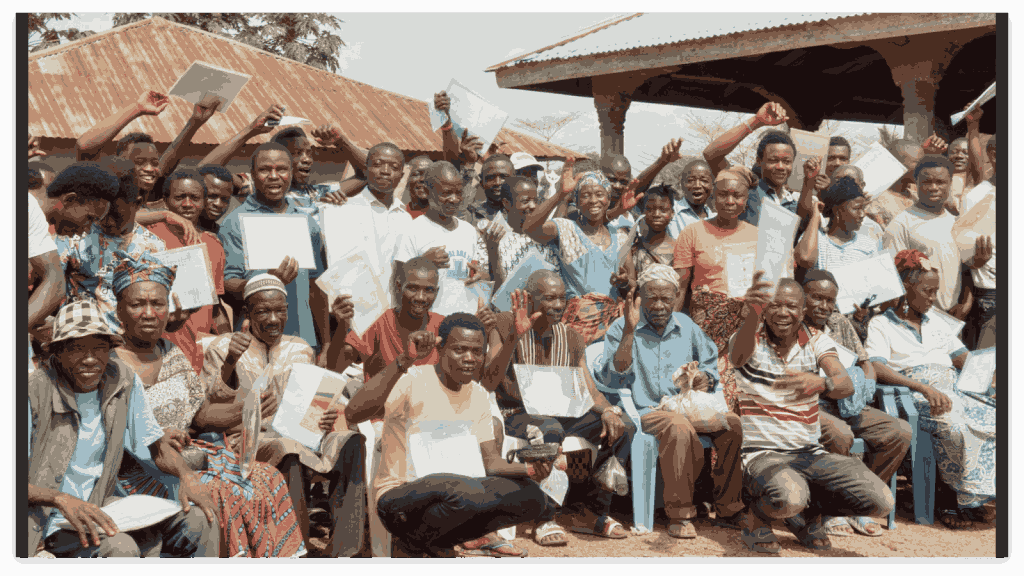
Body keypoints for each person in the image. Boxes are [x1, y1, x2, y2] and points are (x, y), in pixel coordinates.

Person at [107, 250, 308, 557]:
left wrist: (247, 409)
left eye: (158, 304)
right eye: (137, 304)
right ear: (119, 310)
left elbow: (200, 415)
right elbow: (107, 433)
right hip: (141, 470)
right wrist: (156, 437)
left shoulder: (171, 352)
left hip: (194, 456)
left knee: (267, 477)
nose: (149, 313)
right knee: (222, 492)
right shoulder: (110, 364)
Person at [346, 313, 557, 558]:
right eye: (459, 350)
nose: (469, 358)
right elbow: (353, 413)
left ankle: (443, 543)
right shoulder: (411, 379)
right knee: (462, 490)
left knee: (533, 497)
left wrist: (532, 470)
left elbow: (492, 463)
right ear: (440, 349)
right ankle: (412, 545)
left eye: (477, 352)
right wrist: (405, 359)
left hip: (459, 497)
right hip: (402, 498)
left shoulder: (478, 395)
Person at [28, 299, 219, 558]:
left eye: (99, 348)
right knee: (121, 548)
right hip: (49, 520)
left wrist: (187, 476)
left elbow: (155, 444)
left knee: (201, 519)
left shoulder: (121, 380)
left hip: (102, 506)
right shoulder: (35, 392)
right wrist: (59, 499)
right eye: (76, 349)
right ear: (57, 353)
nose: (90, 359)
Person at [201, 274, 366, 557]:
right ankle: (296, 550)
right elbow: (209, 406)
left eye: (280, 310)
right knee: (288, 449)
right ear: (247, 312)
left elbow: (319, 392)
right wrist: (231, 361)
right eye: (264, 311)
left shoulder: (300, 348)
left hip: (302, 435)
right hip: (248, 441)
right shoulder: (223, 346)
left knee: (351, 441)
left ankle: (344, 551)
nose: (274, 319)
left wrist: (323, 416)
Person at [728, 275, 894, 554]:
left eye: (791, 306)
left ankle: (807, 516)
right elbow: (736, 357)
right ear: (765, 309)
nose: (783, 312)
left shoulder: (817, 339)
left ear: (803, 310)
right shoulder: (748, 338)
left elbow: (845, 383)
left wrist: (822, 383)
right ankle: (757, 517)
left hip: (810, 453)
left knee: (881, 501)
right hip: (762, 455)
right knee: (790, 496)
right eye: (775, 305)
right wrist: (752, 314)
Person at [603, 264, 744, 538]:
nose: (659, 306)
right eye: (651, 298)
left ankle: (729, 508)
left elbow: (710, 365)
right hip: (645, 410)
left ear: (677, 297)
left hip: (685, 406)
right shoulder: (623, 326)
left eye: (666, 299)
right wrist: (630, 332)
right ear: (639, 296)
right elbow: (613, 377)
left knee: (732, 425)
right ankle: (680, 514)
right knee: (678, 426)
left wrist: (704, 378)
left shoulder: (686, 326)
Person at [493, 272, 635, 544]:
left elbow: (589, 390)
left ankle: (592, 512)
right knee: (549, 429)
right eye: (549, 298)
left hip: (561, 412)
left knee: (623, 426)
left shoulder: (571, 338)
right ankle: (544, 517)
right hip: (517, 414)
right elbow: (489, 378)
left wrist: (608, 411)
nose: (558, 305)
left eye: (562, 298)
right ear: (529, 299)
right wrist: (513, 337)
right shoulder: (503, 324)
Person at [865, 249, 996, 530]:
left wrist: (989, 379)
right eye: (928, 291)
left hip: (953, 388)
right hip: (913, 394)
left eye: (936, 291)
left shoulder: (936, 321)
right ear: (906, 288)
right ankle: (949, 498)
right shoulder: (881, 324)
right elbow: (877, 367)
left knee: (994, 418)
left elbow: (962, 358)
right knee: (955, 426)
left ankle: (972, 495)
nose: (933, 298)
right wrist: (922, 387)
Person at [56, 157, 202, 372]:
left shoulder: (153, 248)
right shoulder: (76, 236)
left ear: (138, 203)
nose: (106, 220)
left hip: (128, 357)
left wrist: (174, 321)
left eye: (115, 214)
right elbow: (50, 287)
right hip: (80, 351)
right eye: (102, 213)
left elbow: (160, 315)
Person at [800, 270, 912, 538]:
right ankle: (829, 510)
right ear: (803, 297)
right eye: (817, 298)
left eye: (830, 300)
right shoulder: (792, 326)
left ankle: (857, 502)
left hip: (848, 400)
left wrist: (866, 386)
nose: (824, 306)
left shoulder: (839, 322)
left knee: (898, 432)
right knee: (840, 434)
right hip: (812, 403)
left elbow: (865, 362)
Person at [217, 143, 331, 356]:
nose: (273, 176)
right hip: (253, 343)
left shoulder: (306, 224)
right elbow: (227, 285)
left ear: (291, 172)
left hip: (302, 342)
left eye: (281, 169)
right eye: (264, 169)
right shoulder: (234, 222)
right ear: (252, 174)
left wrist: (325, 344)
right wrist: (266, 282)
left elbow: (316, 288)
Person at [672, 165, 760, 412]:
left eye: (737, 196)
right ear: (713, 196)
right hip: (705, 331)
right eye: (723, 195)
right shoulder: (692, 233)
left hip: (745, 329)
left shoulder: (758, 237)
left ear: (746, 199)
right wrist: (672, 331)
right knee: (707, 391)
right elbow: (680, 288)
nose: (730, 201)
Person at [523, 158, 630, 345]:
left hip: (613, 330)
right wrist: (560, 194)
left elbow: (632, 283)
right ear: (577, 201)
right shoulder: (566, 229)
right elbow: (530, 228)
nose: (593, 200)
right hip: (577, 330)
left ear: (608, 199)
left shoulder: (620, 237)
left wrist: (625, 281)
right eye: (586, 195)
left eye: (599, 194)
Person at [882, 155, 992, 319]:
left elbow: (964, 269)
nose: (934, 188)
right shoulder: (900, 225)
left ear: (950, 184)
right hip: (917, 318)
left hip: (954, 317)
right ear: (916, 183)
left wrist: (965, 303)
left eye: (940, 182)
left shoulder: (957, 222)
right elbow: (892, 279)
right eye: (927, 182)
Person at [145, 170, 232, 365]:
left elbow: (214, 307)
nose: (187, 204)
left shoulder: (213, 245)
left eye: (194, 198)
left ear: (203, 201)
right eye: (179, 197)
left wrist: (229, 343)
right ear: (166, 201)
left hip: (198, 356)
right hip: (158, 352)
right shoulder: (147, 237)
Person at [392, 161, 490, 314]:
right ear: (427, 191)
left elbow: (476, 272)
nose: (454, 199)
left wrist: (481, 275)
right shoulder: (412, 230)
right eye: (446, 193)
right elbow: (398, 280)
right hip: (428, 319)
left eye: (458, 193)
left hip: (463, 318)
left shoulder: (468, 230)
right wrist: (424, 262)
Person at [703, 102, 800, 225]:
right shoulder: (746, 191)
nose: (780, 167)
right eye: (773, 160)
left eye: (786, 161)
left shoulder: (794, 203)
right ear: (759, 161)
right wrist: (756, 121)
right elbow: (711, 154)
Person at [483, 176, 562, 296]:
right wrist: (493, 251)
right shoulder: (493, 238)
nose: (533, 206)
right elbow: (494, 290)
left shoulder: (545, 236)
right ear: (506, 203)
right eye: (525, 201)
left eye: (536, 201)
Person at [958, 107, 996, 350]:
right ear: (994, 155)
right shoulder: (976, 197)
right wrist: (975, 261)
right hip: (992, 295)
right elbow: (966, 255)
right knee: (988, 362)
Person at [795, 176, 883, 275]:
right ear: (837, 211)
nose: (862, 214)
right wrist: (815, 216)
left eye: (863, 208)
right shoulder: (816, 238)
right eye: (856, 208)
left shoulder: (868, 245)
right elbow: (805, 258)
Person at [611, 186, 680, 302]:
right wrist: (625, 282)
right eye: (650, 209)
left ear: (672, 213)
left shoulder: (679, 249)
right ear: (643, 212)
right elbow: (631, 285)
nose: (656, 214)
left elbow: (681, 289)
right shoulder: (633, 249)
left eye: (663, 210)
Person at [666, 159, 717, 238]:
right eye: (690, 180)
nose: (697, 185)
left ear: (712, 186)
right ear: (682, 183)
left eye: (704, 180)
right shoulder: (669, 211)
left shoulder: (715, 218)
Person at [197, 165, 243, 234]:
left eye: (225, 199)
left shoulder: (225, 236)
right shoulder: (181, 229)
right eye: (212, 196)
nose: (218, 204)